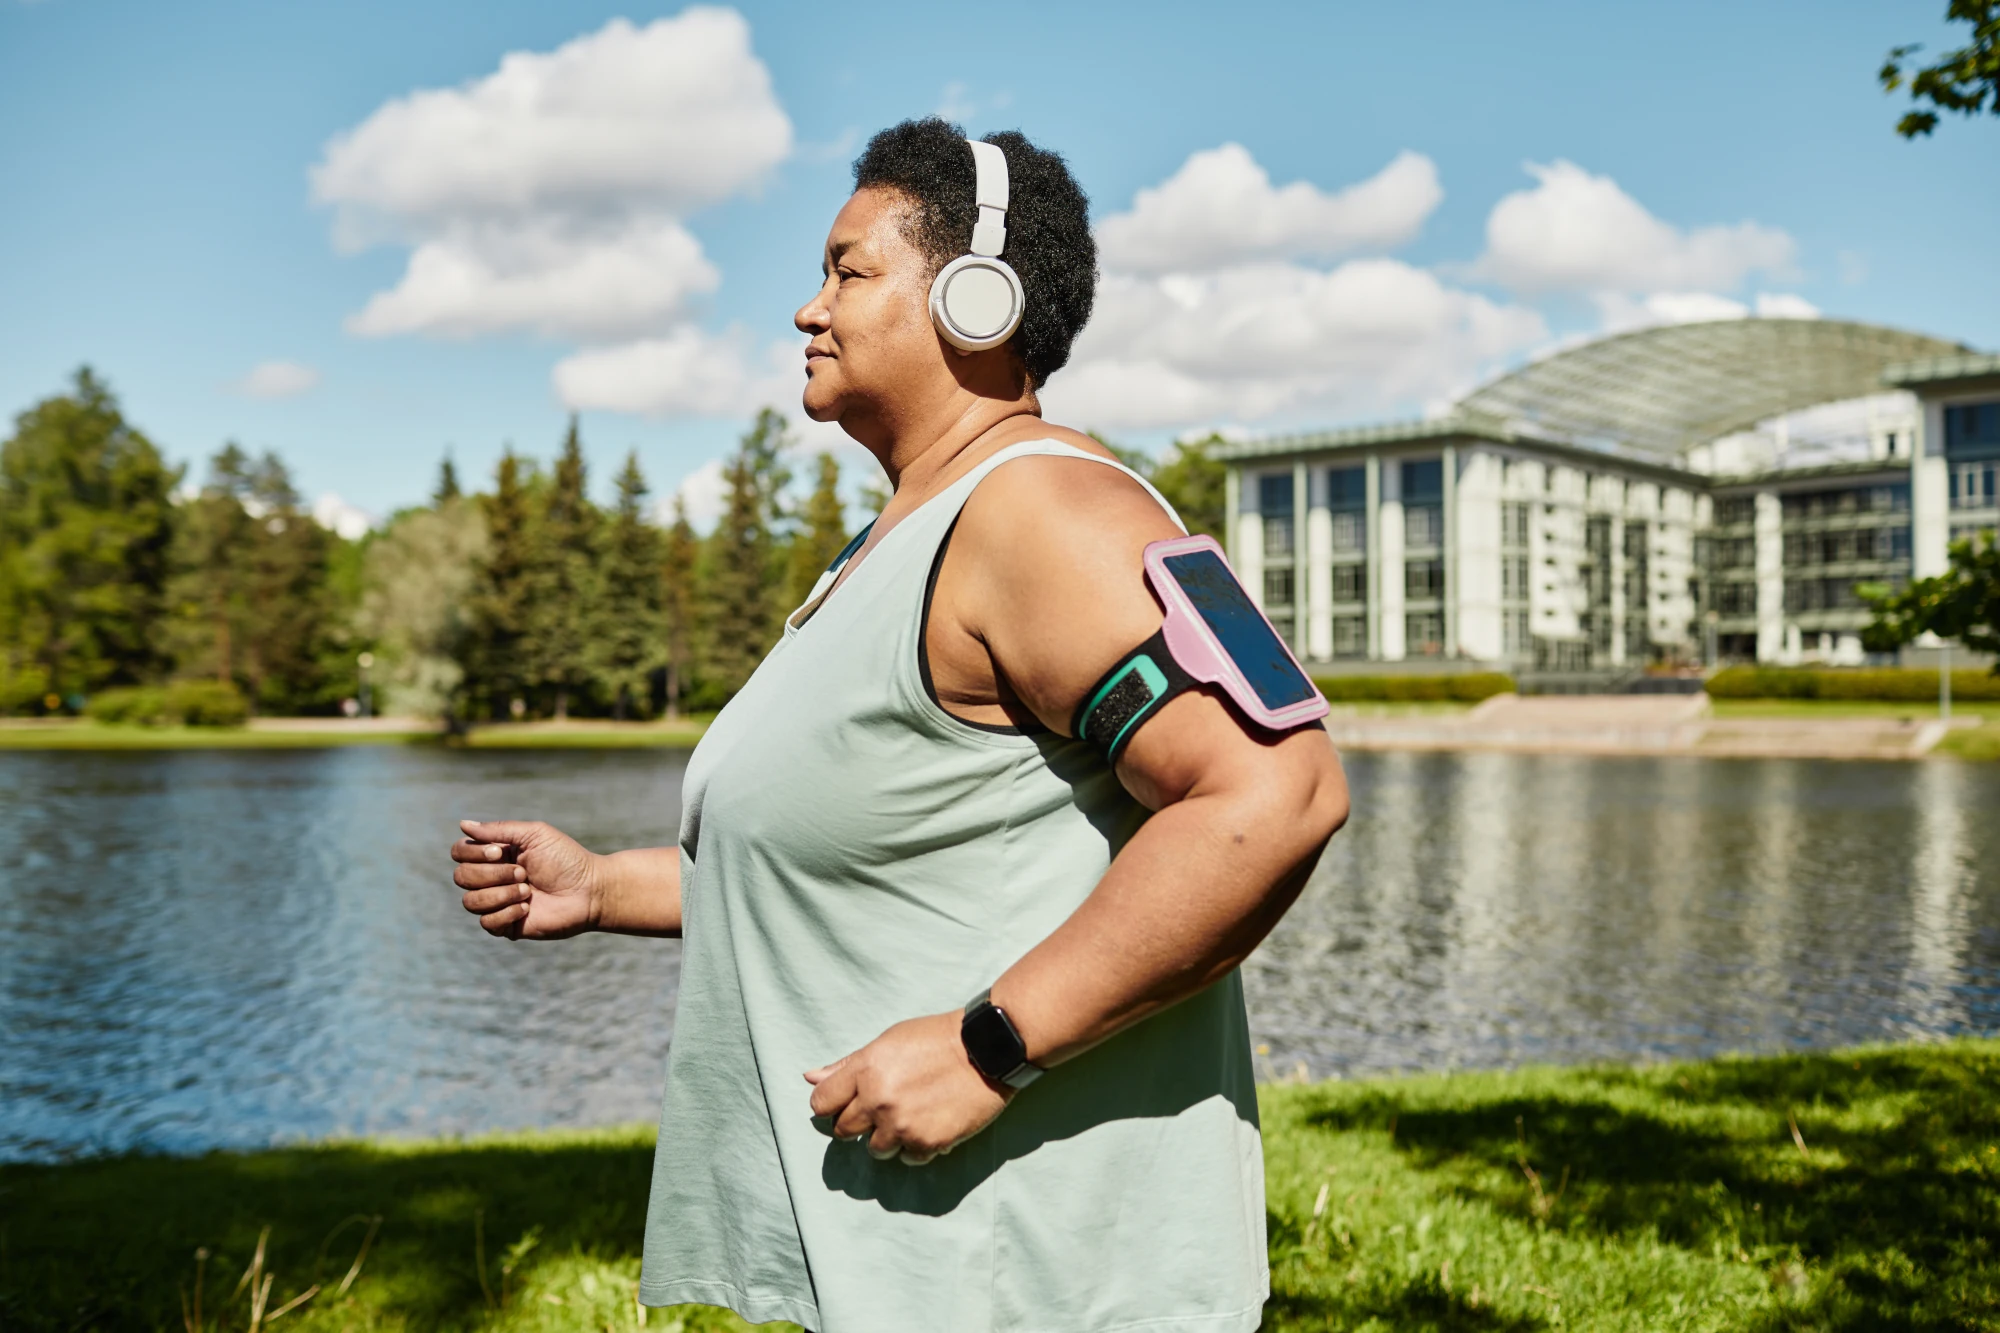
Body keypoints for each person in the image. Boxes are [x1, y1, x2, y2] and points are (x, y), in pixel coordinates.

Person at [448, 117, 1349, 1333]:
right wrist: (604, 885)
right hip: (914, 1273)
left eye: (849, 270)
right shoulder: (890, 549)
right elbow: (864, 856)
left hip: (1033, 1280)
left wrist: (990, 1046)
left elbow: (1273, 792)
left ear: (976, 300)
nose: (807, 309)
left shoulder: (1049, 511)